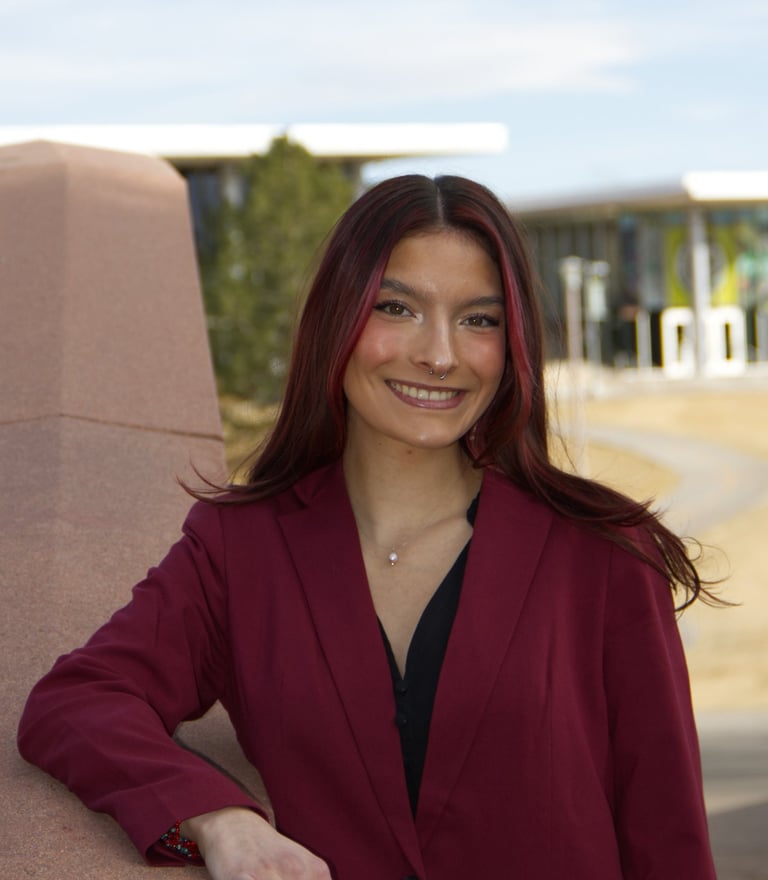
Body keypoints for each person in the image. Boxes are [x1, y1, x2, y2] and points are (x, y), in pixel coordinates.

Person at [18, 174, 718, 879]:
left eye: (479, 320)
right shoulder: (243, 549)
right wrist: (218, 818)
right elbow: (76, 703)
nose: (439, 355)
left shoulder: (603, 555)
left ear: (512, 348)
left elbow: (670, 845)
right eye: (397, 308)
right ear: (337, 318)